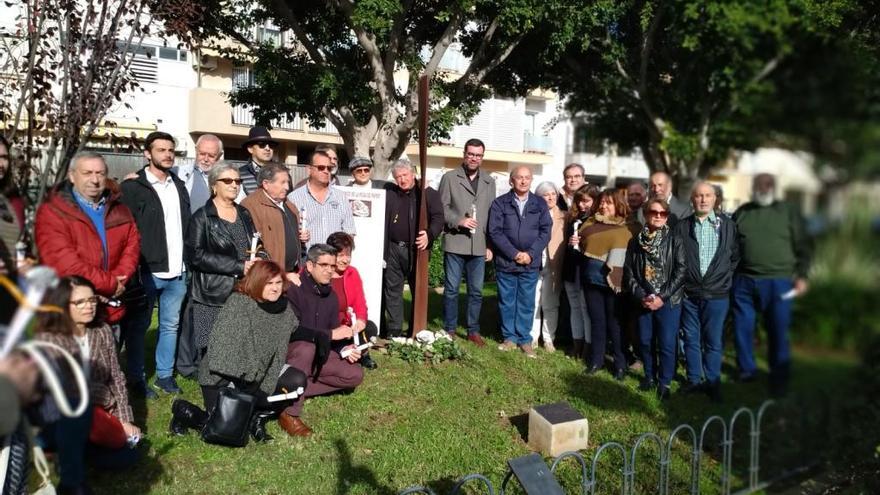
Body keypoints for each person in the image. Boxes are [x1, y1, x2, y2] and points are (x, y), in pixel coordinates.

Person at [169, 260, 308, 441]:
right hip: (223, 377)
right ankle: (184, 411)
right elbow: (220, 351)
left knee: (296, 380)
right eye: (269, 283)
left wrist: (323, 335)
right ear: (257, 282)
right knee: (224, 430)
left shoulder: (283, 307)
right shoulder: (239, 303)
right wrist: (251, 380)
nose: (275, 288)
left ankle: (256, 417)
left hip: (259, 373)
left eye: (278, 283)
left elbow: (294, 329)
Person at [35, 276, 141, 492]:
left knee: (130, 453)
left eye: (92, 300)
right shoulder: (48, 339)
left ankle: (69, 453)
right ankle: (72, 481)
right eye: (80, 302)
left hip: (98, 416)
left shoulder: (101, 331)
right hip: (60, 416)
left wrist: (124, 419)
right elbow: (66, 390)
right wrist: (104, 396)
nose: (89, 306)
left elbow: (116, 376)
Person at [120, 131, 190, 397]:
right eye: (161, 150)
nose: (168, 154)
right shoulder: (133, 187)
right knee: (139, 326)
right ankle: (136, 377)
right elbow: (125, 230)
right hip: (147, 270)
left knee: (170, 325)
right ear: (147, 154)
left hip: (178, 270)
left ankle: (164, 376)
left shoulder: (178, 184)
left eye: (171, 150)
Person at [35, 152, 141, 324]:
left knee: (108, 349)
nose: (95, 179)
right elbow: (65, 263)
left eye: (100, 173)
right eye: (87, 173)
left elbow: (132, 246)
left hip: (111, 305)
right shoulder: (54, 212)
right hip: (72, 310)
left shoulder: (120, 210)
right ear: (71, 176)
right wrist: (110, 284)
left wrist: (119, 280)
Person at [732, 173, 811, 396]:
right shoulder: (743, 212)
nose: (763, 188)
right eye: (759, 184)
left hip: (779, 282)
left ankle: (779, 376)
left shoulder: (788, 212)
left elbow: (804, 245)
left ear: (774, 188)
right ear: (753, 187)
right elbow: (730, 244)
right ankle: (747, 370)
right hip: (744, 280)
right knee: (742, 328)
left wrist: (802, 275)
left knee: (778, 330)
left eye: (767, 185)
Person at [283, 244, 364, 436]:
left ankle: (292, 388)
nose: (330, 270)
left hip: (320, 354)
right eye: (324, 265)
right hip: (293, 353)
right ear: (310, 266)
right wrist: (329, 335)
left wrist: (345, 348)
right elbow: (291, 331)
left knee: (355, 375)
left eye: (332, 266)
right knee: (306, 348)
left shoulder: (331, 296)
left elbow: (333, 332)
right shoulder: (293, 289)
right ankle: (289, 412)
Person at [185, 162, 261, 358]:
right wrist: (238, 266)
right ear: (214, 185)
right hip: (213, 291)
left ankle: (234, 381)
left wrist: (260, 260)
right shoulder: (202, 217)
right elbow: (195, 255)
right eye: (227, 180)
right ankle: (212, 385)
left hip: (243, 288)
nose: (234, 185)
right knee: (213, 345)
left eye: (238, 181)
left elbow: (255, 243)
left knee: (238, 341)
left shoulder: (244, 213)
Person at [675, 181, 739, 402]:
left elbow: (734, 257)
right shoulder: (682, 227)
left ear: (715, 199)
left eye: (707, 195)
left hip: (717, 295)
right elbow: (677, 259)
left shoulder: (728, 226)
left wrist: (723, 278)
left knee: (712, 341)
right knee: (691, 339)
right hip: (689, 294)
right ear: (692, 200)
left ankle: (712, 382)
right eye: (698, 196)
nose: (702, 199)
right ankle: (694, 380)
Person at [624, 199, 686, 400]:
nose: (658, 216)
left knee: (667, 343)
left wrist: (661, 297)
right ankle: (649, 376)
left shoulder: (675, 239)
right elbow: (629, 273)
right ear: (646, 213)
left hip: (667, 300)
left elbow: (681, 270)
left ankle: (665, 382)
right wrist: (641, 296)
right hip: (644, 300)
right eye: (654, 212)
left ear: (667, 216)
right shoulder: (635, 242)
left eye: (663, 213)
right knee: (644, 341)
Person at [438, 138, 496, 346]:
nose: (474, 158)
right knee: (452, 289)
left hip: (479, 245)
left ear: (482, 157)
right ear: (464, 154)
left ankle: (473, 330)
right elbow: (441, 209)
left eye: (478, 155)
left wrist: (490, 244)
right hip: (455, 242)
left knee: (477, 291)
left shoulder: (490, 181)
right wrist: (459, 220)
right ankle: (450, 328)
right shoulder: (450, 178)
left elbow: (492, 216)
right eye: (470, 154)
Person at [488, 166, 551, 357]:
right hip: (507, 261)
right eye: (519, 178)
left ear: (531, 180)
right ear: (511, 180)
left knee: (526, 302)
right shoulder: (500, 204)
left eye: (527, 178)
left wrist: (530, 254)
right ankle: (509, 338)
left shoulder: (540, 204)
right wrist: (514, 254)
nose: (523, 181)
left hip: (530, 263)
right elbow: (495, 231)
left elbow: (545, 231)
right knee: (507, 301)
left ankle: (524, 339)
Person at [382, 159, 444, 337]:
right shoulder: (390, 192)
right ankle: (394, 329)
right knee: (392, 289)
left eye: (405, 175)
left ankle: (416, 328)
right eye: (398, 177)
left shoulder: (427, 193)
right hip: (394, 248)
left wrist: (429, 234)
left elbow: (439, 218)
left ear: (413, 174)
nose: (402, 180)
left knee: (418, 289)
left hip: (417, 249)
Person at [580, 189, 633, 380]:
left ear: (618, 204)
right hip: (591, 277)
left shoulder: (629, 226)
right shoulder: (591, 222)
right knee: (597, 322)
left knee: (616, 324)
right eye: (602, 202)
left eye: (608, 203)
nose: (603, 206)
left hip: (616, 281)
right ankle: (596, 360)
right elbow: (582, 243)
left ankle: (620, 364)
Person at [241, 163, 308, 285]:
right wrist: (282, 275)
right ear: (266, 184)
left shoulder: (288, 204)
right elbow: (256, 246)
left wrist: (302, 237)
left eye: (288, 182)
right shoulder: (250, 206)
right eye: (282, 182)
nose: (287, 187)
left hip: (293, 274)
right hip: (268, 279)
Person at [326, 232, 378, 369]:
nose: (345, 260)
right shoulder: (323, 274)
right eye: (341, 255)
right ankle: (345, 352)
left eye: (348, 255)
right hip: (332, 328)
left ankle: (361, 354)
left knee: (370, 327)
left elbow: (360, 303)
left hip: (349, 326)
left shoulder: (352, 273)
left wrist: (360, 320)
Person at [288, 150, 356, 251]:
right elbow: (288, 233)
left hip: (334, 261)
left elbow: (349, 232)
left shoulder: (341, 197)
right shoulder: (293, 198)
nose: (326, 171)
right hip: (308, 260)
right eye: (321, 167)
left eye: (329, 168)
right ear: (309, 169)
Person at [563, 185, 599, 359]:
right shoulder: (573, 218)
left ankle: (588, 346)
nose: (582, 205)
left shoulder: (597, 221)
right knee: (575, 308)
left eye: (586, 201)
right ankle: (576, 343)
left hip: (585, 270)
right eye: (579, 200)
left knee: (586, 309)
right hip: (571, 268)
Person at [531, 181, 565, 352]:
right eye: (546, 194)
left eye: (553, 194)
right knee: (534, 302)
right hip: (535, 264)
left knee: (550, 304)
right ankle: (532, 336)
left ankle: (549, 338)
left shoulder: (564, 217)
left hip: (554, 265)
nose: (550, 197)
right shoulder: (531, 214)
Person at [173, 134, 224, 213]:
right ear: (196, 150)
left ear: (219, 155)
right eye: (202, 154)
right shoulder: (178, 173)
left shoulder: (227, 178)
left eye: (211, 156)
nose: (206, 159)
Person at [238, 126, 279, 197]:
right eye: (262, 144)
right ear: (250, 149)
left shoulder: (281, 172)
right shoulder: (239, 174)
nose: (267, 148)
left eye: (271, 145)